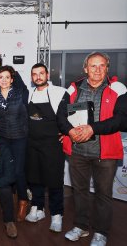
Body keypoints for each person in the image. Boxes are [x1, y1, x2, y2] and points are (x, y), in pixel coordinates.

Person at [58, 52, 126, 246]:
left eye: (102, 66)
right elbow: (61, 116)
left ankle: (101, 232)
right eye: (93, 66)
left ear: (107, 68)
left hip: (104, 154)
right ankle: (81, 226)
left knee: (103, 195)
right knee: (80, 192)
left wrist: (92, 128)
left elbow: (121, 120)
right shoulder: (72, 89)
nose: (97, 70)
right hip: (77, 152)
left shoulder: (118, 90)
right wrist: (70, 131)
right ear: (85, 69)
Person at [25, 63, 67, 232]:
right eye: (34, 74)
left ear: (47, 74)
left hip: (52, 144)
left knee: (54, 180)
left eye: (41, 73)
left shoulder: (60, 93)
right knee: (34, 178)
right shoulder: (28, 94)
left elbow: (68, 116)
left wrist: (67, 132)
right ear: (31, 77)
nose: (38, 77)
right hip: (32, 143)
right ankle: (38, 207)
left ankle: (57, 214)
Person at [0, 65, 29, 222]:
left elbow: (27, 116)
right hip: (2, 137)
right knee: (3, 170)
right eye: (1, 77)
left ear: (12, 79)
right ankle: (4, 201)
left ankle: (23, 201)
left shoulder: (21, 93)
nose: (4, 80)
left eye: (7, 77)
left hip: (19, 137)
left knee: (18, 171)